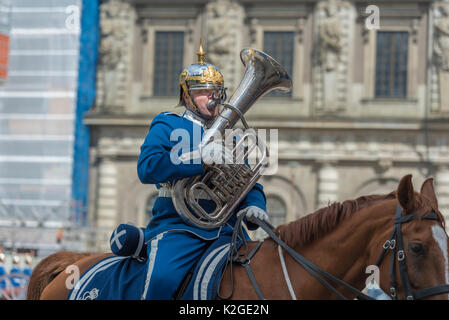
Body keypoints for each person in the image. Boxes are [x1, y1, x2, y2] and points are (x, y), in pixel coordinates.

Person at [112, 42, 269, 300]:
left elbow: (248, 182)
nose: (213, 98)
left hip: (230, 231)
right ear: (186, 96)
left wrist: (255, 205)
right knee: (161, 281)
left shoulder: (232, 137)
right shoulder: (167, 123)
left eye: (217, 91)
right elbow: (148, 167)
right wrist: (198, 158)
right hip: (179, 227)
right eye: (204, 92)